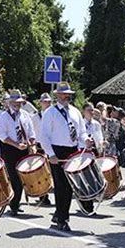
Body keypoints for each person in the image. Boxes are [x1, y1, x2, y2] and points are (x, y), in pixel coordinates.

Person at [41, 82, 86, 232]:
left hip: (72, 151)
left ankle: (60, 214)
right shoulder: (50, 113)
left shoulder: (75, 112)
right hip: (57, 151)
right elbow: (44, 136)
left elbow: (81, 132)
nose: (67, 96)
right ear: (58, 95)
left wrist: (86, 141)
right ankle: (62, 219)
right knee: (61, 187)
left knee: (70, 186)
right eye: (64, 94)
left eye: (69, 94)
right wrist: (51, 154)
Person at [0, 90, 36, 216]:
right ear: (10, 102)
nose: (17, 104)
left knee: (22, 177)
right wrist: (16, 144)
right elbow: (2, 136)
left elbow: (31, 132)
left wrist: (32, 144)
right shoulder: (4, 116)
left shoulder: (25, 115)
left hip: (23, 148)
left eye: (19, 102)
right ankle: (14, 204)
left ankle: (16, 202)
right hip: (10, 150)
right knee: (14, 178)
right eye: (15, 102)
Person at [31, 93, 53, 205]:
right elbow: (32, 132)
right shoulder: (35, 117)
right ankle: (43, 195)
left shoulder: (53, 115)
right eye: (45, 102)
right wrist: (33, 146)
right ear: (40, 103)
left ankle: (49, 190)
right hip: (39, 146)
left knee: (51, 171)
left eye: (49, 102)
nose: (47, 104)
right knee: (41, 172)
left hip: (51, 145)